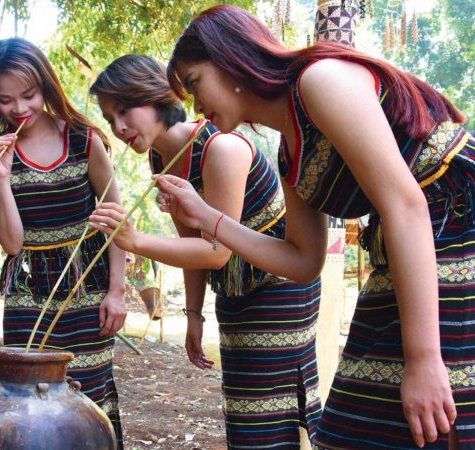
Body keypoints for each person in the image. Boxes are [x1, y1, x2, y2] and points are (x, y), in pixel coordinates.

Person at [153, 4, 475, 449]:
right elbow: (302, 260)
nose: (195, 106)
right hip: (410, 242)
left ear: (229, 59)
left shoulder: (319, 80)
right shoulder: (291, 153)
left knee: (438, 408)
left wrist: (424, 360)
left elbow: (405, 205)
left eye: (195, 83)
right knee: (353, 421)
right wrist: (207, 218)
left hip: (465, 221)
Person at [88, 54, 321, 448]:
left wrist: (136, 241)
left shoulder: (220, 147)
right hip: (234, 289)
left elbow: (216, 252)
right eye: (111, 119)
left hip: (279, 283)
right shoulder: (161, 157)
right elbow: (191, 241)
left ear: (158, 94)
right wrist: (193, 314)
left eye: (125, 109)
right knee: (244, 413)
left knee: (270, 413)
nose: (119, 127)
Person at [0, 38, 126, 447]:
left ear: (46, 86)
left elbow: (115, 218)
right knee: (27, 401)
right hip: (27, 294)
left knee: (88, 397)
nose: (19, 109)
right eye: (5, 100)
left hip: (86, 287)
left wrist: (117, 292)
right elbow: (13, 244)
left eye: (29, 95)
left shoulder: (83, 139)